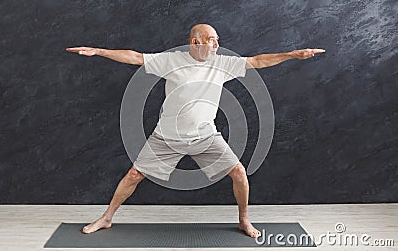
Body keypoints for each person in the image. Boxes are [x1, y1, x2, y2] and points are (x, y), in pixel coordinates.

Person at [66, 23, 325, 238]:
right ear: (195, 41)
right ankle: (107, 218)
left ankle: (244, 220)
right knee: (134, 175)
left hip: (206, 137)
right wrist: (98, 51)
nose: (215, 44)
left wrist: (293, 54)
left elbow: (257, 61)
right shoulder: (171, 61)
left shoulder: (223, 64)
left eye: (217, 40)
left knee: (239, 172)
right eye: (210, 40)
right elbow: (135, 57)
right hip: (166, 137)